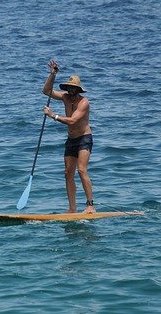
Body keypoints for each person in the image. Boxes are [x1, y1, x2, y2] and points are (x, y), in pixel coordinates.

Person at [42, 60, 96, 214]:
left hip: (84, 139)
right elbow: (46, 91)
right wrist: (52, 74)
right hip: (71, 140)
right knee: (68, 173)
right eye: (69, 87)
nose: (70, 90)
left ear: (78, 89)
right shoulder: (65, 97)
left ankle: (90, 206)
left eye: (73, 88)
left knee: (81, 170)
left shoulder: (84, 102)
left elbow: (72, 120)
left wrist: (53, 115)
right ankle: (72, 209)